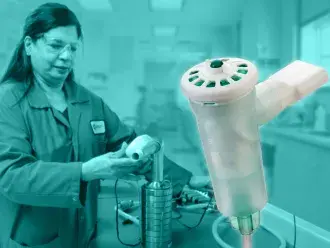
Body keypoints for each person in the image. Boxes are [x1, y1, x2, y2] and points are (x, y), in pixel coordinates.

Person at [0, 3, 211, 248]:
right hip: (30, 242)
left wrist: (185, 178)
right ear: (29, 45)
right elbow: (12, 177)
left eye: (72, 48)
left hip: (83, 236)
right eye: (56, 46)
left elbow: (132, 146)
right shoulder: (9, 102)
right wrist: (86, 171)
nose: (66, 56)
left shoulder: (88, 102)